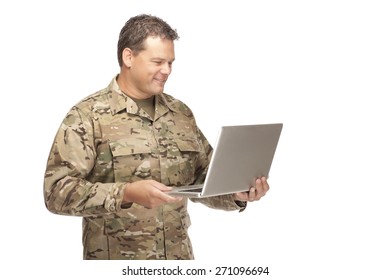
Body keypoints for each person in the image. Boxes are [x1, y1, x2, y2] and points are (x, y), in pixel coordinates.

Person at [43, 14, 270, 260]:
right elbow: (56, 193)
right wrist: (127, 193)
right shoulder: (87, 115)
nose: (166, 71)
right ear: (128, 57)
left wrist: (236, 193)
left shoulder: (180, 113)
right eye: (158, 62)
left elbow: (204, 181)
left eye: (170, 63)